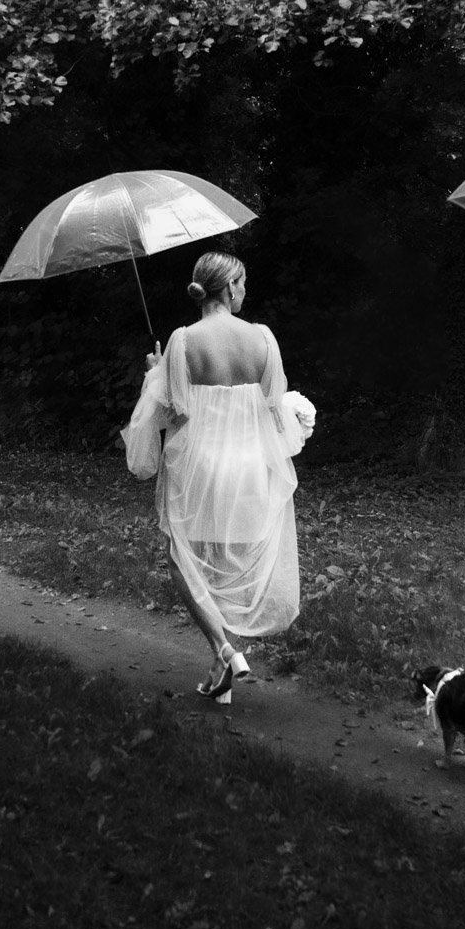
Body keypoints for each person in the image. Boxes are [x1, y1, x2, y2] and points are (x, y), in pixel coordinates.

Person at [122, 250, 312, 704]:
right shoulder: (263, 338)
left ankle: (223, 649)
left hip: (199, 463)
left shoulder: (184, 341)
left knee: (183, 555)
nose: (245, 292)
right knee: (227, 562)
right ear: (230, 288)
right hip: (247, 464)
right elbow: (272, 406)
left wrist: (154, 374)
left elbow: (170, 412)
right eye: (243, 284)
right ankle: (222, 665)